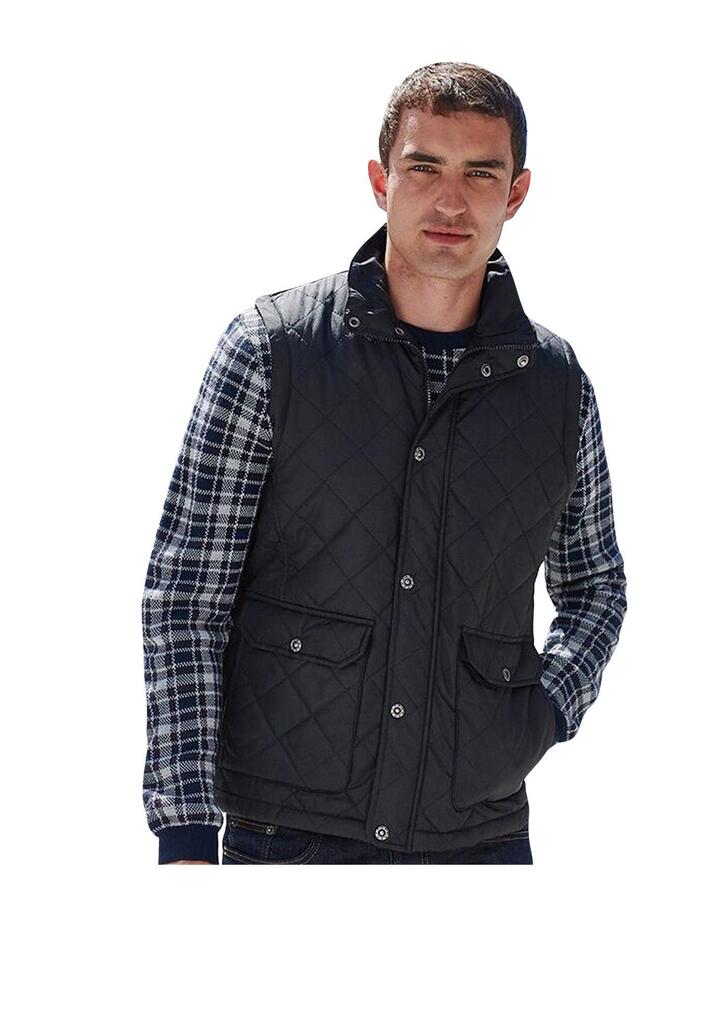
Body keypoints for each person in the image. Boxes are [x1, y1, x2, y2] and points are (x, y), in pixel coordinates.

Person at [141, 61, 628, 865]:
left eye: (481, 174)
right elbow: (187, 599)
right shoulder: (272, 352)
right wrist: (185, 829)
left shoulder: (555, 385)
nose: (451, 202)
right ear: (381, 181)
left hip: (479, 840)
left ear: (516, 194)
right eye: (424, 167)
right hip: (288, 838)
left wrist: (543, 712)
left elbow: (596, 585)